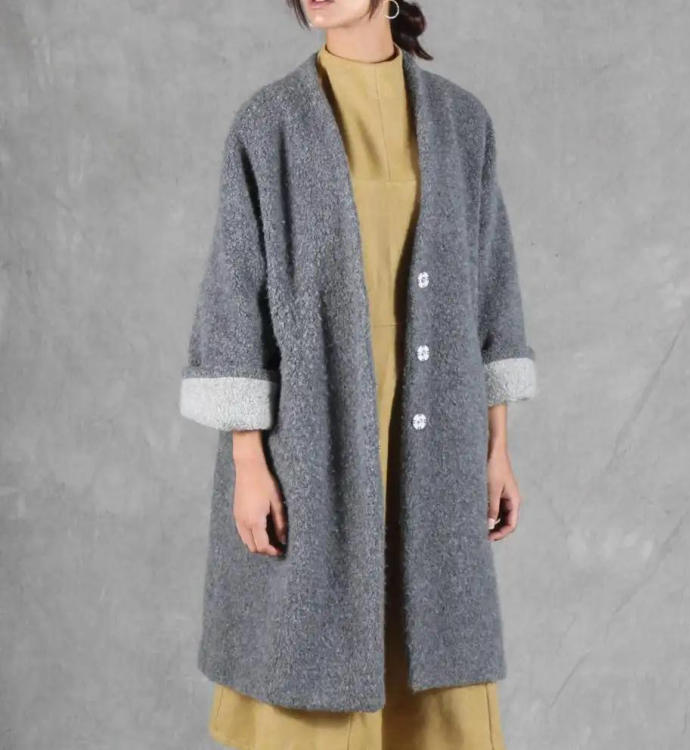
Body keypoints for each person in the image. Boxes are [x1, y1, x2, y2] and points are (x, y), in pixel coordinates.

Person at [179, 0, 538, 747]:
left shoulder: (461, 123)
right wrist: (248, 461)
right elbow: (233, 296)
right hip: (312, 435)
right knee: (310, 648)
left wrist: (498, 447)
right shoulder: (269, 124)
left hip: (436, 428)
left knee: (433, 645)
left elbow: (492, 289)